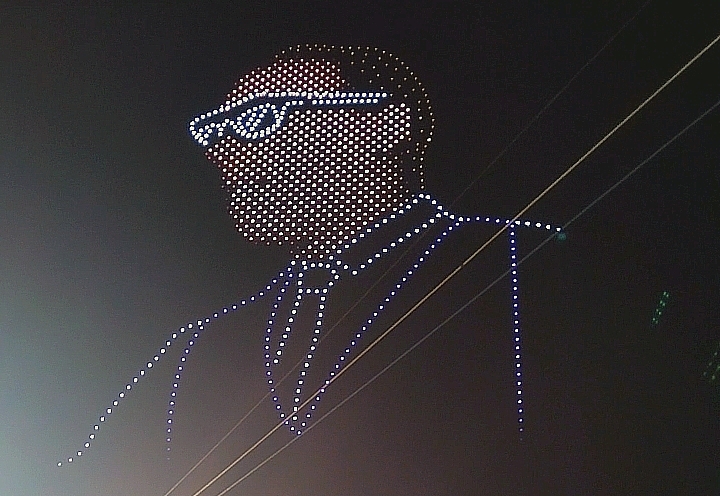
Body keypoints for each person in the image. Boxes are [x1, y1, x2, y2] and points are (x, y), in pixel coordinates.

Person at [59, 45, 559, 466]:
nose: (225, 152)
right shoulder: (194, 353)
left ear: (382, 124)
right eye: (217, 134)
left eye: (257, 121)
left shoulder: (523, 267)